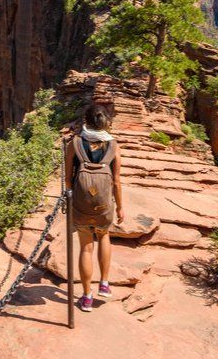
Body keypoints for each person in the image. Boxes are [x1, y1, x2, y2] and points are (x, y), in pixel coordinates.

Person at [64, 102, 124, 312]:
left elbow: (68, 178)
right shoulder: (113, 145)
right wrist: (120, 207)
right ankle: (104, 284)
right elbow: (117, 181)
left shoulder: (75, 143)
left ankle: (87, 297)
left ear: (86, 121)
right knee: (104, 236)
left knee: (86, 247)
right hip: (104, 205)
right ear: (106, 122)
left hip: (81, 205)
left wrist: (70, 198)